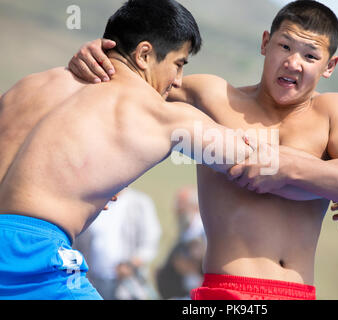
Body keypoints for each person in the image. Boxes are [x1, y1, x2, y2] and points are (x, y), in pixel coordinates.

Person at [69, 0, 338, 300]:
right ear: (265, 43)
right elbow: (125, 94)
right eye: (285, 46)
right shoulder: (211, 96)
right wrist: (103, 57)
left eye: (310, 56)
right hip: (226, 291)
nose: (293, 62)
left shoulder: (334, 111)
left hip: (299, 291)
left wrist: (290, 168)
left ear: (329, 65)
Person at [0, 0, 253, 300]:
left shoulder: (29, 86)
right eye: (179, 64)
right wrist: (323, 173)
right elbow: (251, 159)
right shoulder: (158, 114)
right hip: (35, 256)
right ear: (144, 54)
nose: (178, 81)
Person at [74, 188, 162, 300]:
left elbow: (150, 242)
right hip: (93, 281)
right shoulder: (93, 202)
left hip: (126, 283)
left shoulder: (139, 202)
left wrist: (131, 264)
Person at [156, 186, 205, 299]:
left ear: (196, 207)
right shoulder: (184, 234)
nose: (178, 211)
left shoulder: (206, 233)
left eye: (183, 207)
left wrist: (190, 266)